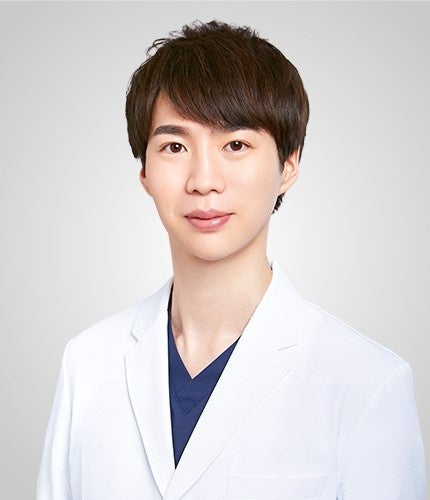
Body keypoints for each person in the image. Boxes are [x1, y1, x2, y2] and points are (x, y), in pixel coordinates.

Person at [37, 20, 426, 500]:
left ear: (288, 166)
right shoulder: (88, 363)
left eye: (235, 145)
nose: (203, 180)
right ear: (145, 174)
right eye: (174, 146)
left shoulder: (367, 382)